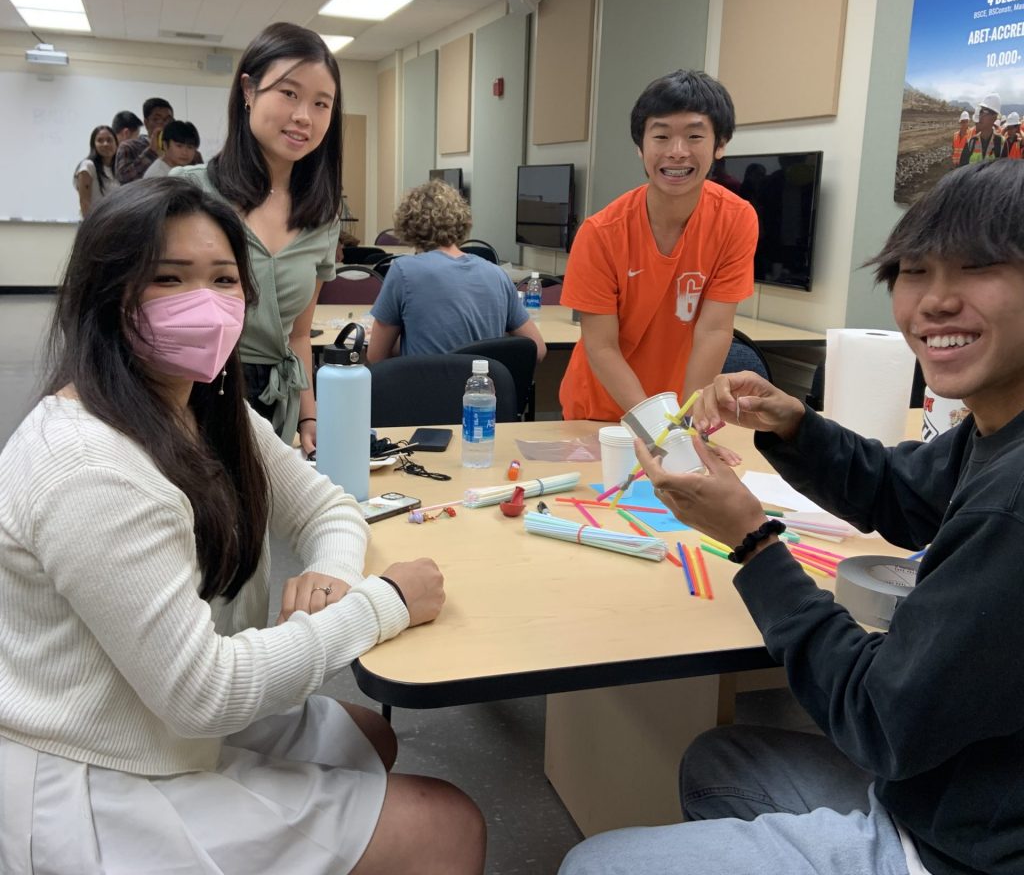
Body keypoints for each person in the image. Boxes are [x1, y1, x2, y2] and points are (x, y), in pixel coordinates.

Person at [0, 177, 486, 875]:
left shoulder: (201, 407)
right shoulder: (90, 465)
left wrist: (333, 575)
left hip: (153, 715)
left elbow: (329, 506)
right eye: (169, 279)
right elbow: (204, 692)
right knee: (448, 824)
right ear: (107, 295)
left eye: (224, 279)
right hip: (93, 769)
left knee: (368, 737)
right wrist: (384, 605)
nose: (205, 303)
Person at [559, 158, 1024, 875]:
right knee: (721, 760)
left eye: (979, 268)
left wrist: (753, 541)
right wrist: (794, 425)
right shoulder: (995, 427)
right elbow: (905, 495)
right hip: (948, 784)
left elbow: (877, 717)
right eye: (915, 271)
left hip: (962, 848)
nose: (935, 302)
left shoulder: (1010, 508)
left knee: (592, 865)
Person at [176, 22, 342, 454]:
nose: (304, 116)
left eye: (321, 103)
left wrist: (309, 414)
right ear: (248, 90)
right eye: (289, 93)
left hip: (275, 409)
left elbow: (299, 335)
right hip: (191, 402)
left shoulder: (322, 213)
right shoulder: (189, 193)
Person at [558, 70, 758, 421]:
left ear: (720, 144)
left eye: (695, 136)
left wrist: (686, 422)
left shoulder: (736, 220)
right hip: (601, 408)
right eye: (661, 136)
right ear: (641, 147)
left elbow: (713, 330)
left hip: (679, 404)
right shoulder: (601, 233)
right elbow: (602, 346)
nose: (677, 152)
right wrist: (656, 426)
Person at [367, 179, 546, 363]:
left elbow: (376, 356)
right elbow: (537, 350)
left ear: (407, 226)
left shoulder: (404, 271)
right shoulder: (497, 274)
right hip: (484, 388)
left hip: (425, 388)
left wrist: (404, 341)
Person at [115, 97, 175, 183]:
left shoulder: (179, 147)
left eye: (168, 119)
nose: (164, 123)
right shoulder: (130, 146)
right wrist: (151, 152)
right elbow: (124, 180)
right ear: (146, 123)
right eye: (156, 119)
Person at [73, 124, 120, 216]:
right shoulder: (88, 166)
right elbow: (84, 202)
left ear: (116, 143)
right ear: (93, 145)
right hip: (94, 225)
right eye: (100, 140)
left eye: (109, 140)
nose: (105, 144)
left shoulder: (118, 168)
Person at [959, 92, 1003, 165]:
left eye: (984, 111)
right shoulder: (971, 142)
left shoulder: (1002, 143)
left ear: (994, 117)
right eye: (980, 111)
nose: (980, 116)